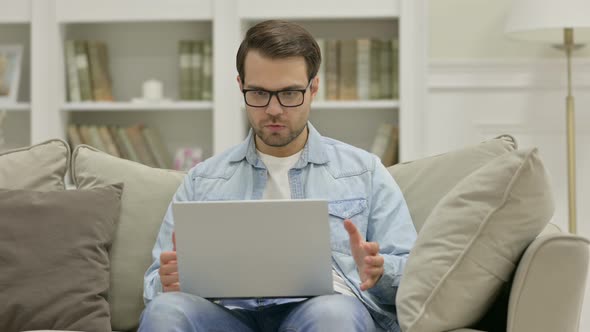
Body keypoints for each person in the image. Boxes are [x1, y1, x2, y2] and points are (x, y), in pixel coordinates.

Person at [139, 20, 416, 332]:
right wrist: (168, 281)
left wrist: (380, 271)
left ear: (313, 88)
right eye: (258, 93)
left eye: (289, 93)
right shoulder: (203, 180)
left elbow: (415, 273)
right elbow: (152, 283)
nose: (273, 109)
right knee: (166, 311)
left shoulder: (364, 171)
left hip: (323, 310)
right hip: (226, 317)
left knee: (334, 314)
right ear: (240, 85)